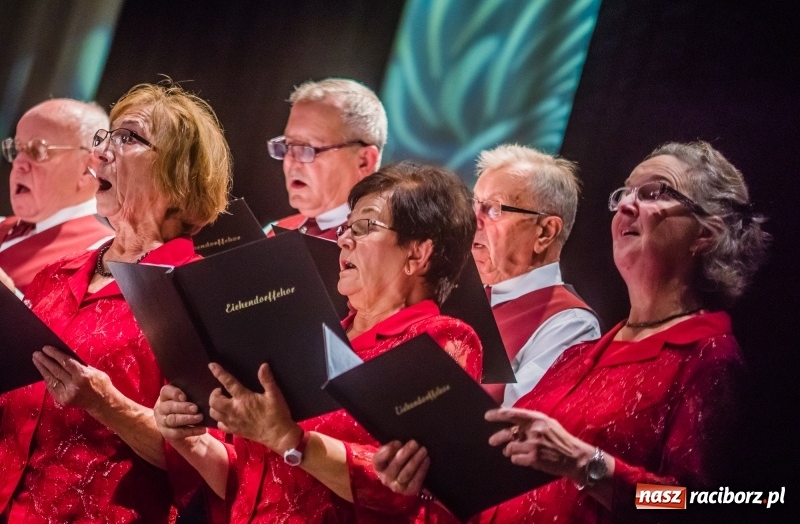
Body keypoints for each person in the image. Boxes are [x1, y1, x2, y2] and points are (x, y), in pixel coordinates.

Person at [374, 141, 770, 523]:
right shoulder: (582, 355)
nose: (627, 204)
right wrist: (424, 475)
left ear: (707, 234)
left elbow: (702, 506)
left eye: (654, 193)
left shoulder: (709, 357)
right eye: (625, 194)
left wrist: (586, 465)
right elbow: (499, 468)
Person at [155, 162, 482, 523]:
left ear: (418, 253)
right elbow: (244, 480)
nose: (344, 239)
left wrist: (287, 438)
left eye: (364, 226)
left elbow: (407, 488)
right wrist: (191, 440)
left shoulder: (441, 339)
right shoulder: (311, 338)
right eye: (346, 227)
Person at [0, 82, 231, 523]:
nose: (99, 154)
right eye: (104, 138)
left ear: (179, 172)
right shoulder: (60, 272)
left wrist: (107, 404)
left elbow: (206, 464)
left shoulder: (194, 293)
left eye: (128, 138)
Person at [472, 145, 600, 406]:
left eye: (494, 209)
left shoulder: (570, 325)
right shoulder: (459, 293)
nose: (474, 220)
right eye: (474, 205)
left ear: (545, 232)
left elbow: (516, 425)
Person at [0, 99, 115, 294]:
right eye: (18, 149)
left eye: (39, 150)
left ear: (89, 168)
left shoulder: (102, 253)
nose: (19, 162)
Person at [265, 77, 387, 239]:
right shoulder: (272, 233)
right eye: (288, 145)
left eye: (308, 148)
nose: (289, 161)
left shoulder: (380, 248)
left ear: (364, 161)